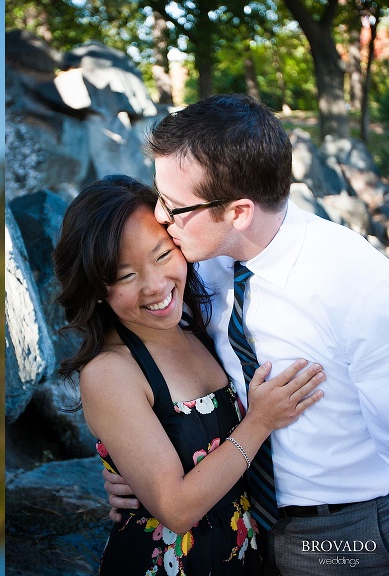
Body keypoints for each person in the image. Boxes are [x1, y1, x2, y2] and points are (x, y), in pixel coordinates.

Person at [104, 94, 389, 575]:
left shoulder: (358, 285)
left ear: (238, 212)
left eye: (174, 205)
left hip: (342, 534)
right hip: (235, 523)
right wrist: (135, 462)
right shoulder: (198, 257)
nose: (160, 216)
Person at [52, 175, 324, 575]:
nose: (156, 286)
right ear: (96, 287)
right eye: (126, 276)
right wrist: (261, 421)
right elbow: (176, 509)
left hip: (241, 555)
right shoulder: (110, 372)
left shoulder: (196, 323)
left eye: (163, 255)